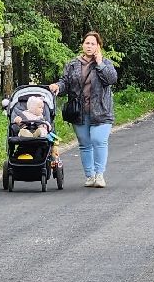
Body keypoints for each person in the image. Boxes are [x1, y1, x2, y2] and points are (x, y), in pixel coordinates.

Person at [49, 31, 117, 188]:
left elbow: (111, 79)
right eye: (87, 43)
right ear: (82, 45)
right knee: (85, 144)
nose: (89, 46)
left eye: (93, 43)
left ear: (98, 46)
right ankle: (90, 176)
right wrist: (57, 86)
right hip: (79, 112)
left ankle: (99, 175)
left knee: (99, 140)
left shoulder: (105, 63)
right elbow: (65, 83)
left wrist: (99, 63)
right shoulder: (73, 64)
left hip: (101, 111)